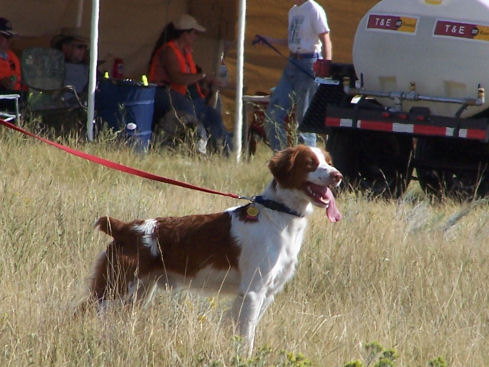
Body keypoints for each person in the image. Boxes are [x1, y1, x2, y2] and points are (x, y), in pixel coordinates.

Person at [253, 0, 332, 151]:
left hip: (309, 63)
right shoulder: (293, 11)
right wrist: (270, 40)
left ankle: (309, 163)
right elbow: (292, 40)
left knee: (304, 119)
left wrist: (326, 66)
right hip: (292, 63)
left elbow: (325, 39)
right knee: (273, 114)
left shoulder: (313, 8)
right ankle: (284, 157)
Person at [149, 14, 232, 154]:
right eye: (194, 33)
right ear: (184, 34)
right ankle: (194, 151)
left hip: (181, 95)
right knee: (190, 112)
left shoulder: (185, 51)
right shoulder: (169, 50)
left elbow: (190, 77)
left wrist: (206, 80)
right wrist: (203, 76)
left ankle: (225, 154)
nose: (196, 37)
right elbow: (178, 78)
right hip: (164, 93)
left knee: (213, 115)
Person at [51, 27, 90, 106]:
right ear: (65, 47)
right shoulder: (54, 66)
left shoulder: (88, 69)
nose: (83, 51)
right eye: (79, 47)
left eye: (84, 47)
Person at [0, 17, 21, 93]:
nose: (9, 40)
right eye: (6, 36)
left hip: (14, 99)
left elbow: (19, 79)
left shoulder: (13, 57)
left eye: (10, 37)